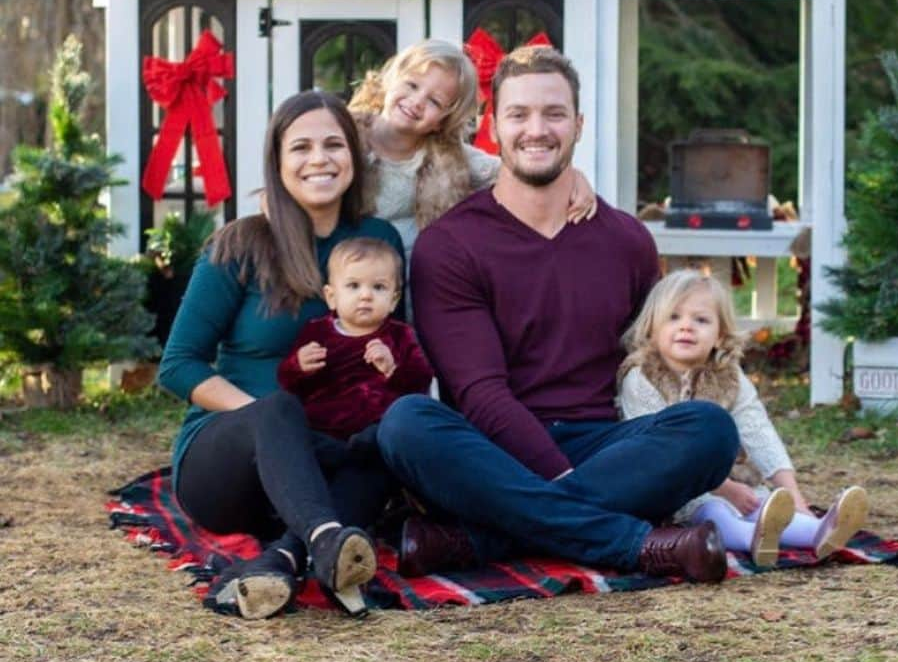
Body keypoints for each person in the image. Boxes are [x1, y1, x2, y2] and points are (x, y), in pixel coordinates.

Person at [377, 46, 740, 582]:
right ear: (493, 127)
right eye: (519, 114)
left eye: (554, 114)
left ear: (579, 125)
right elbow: (479, 394)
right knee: (406, 423)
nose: (537, 130)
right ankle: (637, 545)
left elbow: (653, 356)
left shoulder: (627, 241)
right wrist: (560, 475)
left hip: (603, 444)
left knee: (710, 429)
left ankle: (477, 539)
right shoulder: (450, 244)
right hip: (488, 450)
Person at [157, 90, 405, 619]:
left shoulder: (377, 242)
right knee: (281, 408)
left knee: (381, 443)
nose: (319, 158)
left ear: (354, 159)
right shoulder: (240, 244)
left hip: (325, 464)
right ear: (277, 162)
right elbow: (178, 364)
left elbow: (397, 349)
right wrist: (266, 419)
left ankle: (279, 561)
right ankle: (324, 536)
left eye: (334, 144)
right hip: (230, 465)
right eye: (301, 147)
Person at [617, 270, 869, 567]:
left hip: (731, 482)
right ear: (651, 328)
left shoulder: (729, 376)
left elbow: (758, 431)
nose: (686, 327)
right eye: (673, 317)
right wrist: (727, 490)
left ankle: (820, 531)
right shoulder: (641, 378)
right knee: (714, 512)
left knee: (761, 505)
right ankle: (752, 538)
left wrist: (795, 497)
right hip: (671, 489)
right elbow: (660, 454)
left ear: (719, 335)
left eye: (701, 320)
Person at [347, 39, 595, 274]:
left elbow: (515, 170)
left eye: (434, 101)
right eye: (411, 85)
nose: (417, 101)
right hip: (348, 285)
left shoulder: (448, 159)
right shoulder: (345, 139)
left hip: (409, 294)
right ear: (390, 80)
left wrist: (573, 178)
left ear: (443, 121)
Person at [277, 237, 433, 441]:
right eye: (353, 286)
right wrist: (299, 365)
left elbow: (421, 381)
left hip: (380, 429)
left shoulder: (399, 335)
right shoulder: (317, 332)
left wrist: (392, 369)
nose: (366, 295)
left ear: (394, 300)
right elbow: (287, 382)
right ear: (331, 297)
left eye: (378, 287)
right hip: (323, 428)